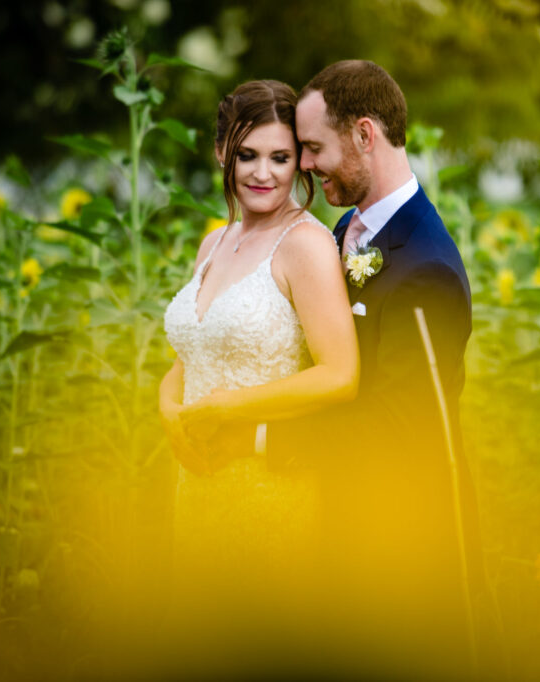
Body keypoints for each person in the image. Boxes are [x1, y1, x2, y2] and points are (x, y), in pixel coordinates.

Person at [265, 60, 483, 679]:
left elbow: (399, 427)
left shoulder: (427, 269)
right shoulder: (347, 230)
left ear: (364, 134)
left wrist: (267, 435)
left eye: (312, 148)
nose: (303, 165)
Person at [157, 79, 358, 675]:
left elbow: (341, 374)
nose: (263, 174)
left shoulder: (307, 247)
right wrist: (168, 409)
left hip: (269, 488)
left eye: (280, 157)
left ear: (299, 161)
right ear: (221, 150)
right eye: (247, 155)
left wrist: (229, 410)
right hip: (195, 488)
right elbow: (186, 356)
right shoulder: (214, 242)